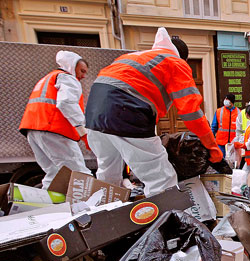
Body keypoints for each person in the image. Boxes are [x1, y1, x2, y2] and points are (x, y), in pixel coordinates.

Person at [85, 28, 222, 196]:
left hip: (94, 113)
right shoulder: (175, 63)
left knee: (108, 170)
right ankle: (165, 221)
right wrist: (212, 147)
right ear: (183, 58)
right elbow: (191, 113)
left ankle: (102, 213)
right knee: (161, 177)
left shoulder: (135, 57)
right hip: (126, 111)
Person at [19, 50, 91, 189]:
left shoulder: (48, 78)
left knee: (54, 173)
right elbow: (66, 103)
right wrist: (84, 132)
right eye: (82, 71)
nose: (83, 76)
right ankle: (91, 208)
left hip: (33, 130)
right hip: (54, 130)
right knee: (79, 174)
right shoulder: (67, 78)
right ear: (71, 66)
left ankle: (45, 206)